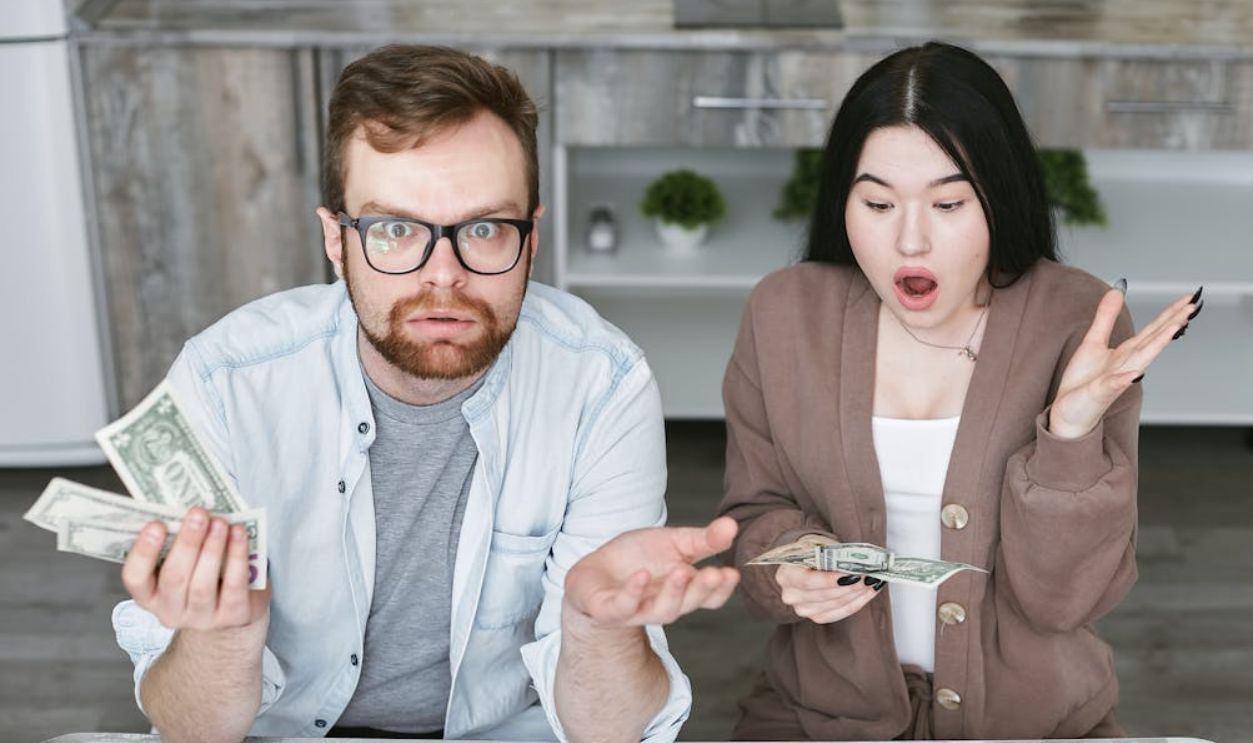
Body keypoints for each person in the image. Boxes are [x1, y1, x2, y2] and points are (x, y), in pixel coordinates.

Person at [111, 44, 739, 743]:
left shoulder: (603, 385)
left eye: (483, 228)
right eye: (394, 228)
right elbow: (187, 728)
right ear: (336, 239)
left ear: (531, 238)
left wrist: (596, 630)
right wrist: (224, 636)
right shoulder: (222, 381)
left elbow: (607, 729)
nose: (443, 275)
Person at [718, 41, 1201, 740]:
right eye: (877, 202)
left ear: (999, 197)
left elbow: (1066, 599)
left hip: (1031, 722)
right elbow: (752, 514)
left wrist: (1066, 436)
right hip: (817, 718)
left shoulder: (1076, 321)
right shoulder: (782, 313)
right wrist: (791, 561)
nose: (909, 241)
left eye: (948, 202)